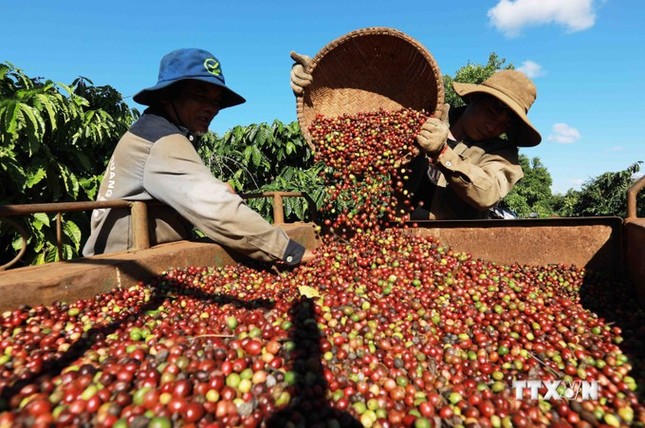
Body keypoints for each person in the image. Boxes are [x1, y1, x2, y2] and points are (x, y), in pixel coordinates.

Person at [83, 48, 313, 266]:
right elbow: (216, 209)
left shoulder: (154, 131)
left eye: (216, 101)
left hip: (140, 257)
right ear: (166, 97)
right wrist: (289, 251)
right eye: (200, 97)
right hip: (128, 266)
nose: (211, 108)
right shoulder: (160, 140)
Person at [290, 52, 542, 220]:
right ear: (476, 97)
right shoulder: (426, 114)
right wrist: (318, 82)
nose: (494, 125)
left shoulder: (503, 155)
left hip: (455, 245)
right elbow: (365, 118)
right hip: (396, 229)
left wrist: (443, 153)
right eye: (493, 110)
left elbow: (487, 195)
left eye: (505, 122)